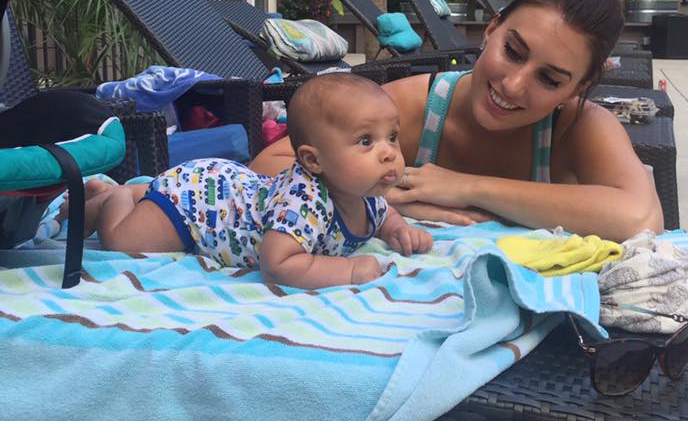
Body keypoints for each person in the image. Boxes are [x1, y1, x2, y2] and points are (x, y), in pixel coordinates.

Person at [252, 0, 663, 243]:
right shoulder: (414, 106)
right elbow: (266, 166)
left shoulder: (579, 127)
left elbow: (641, 218)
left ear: (577, 88)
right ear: (492, 29)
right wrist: (371, 197)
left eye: (550, 79)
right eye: (513, 51)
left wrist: (466, 188)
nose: (513, 85)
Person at [76, 73, 432, 289]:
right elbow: (277, 264)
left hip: (229, 186)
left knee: (147, 212)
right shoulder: (304, 204)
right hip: (197, 208)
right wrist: (349, 270)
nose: (389, 153)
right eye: (366, 141)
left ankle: (143, 192)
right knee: (124, 241)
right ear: (313, 160)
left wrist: (397, 229)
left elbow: (382, 215)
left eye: (392, 137)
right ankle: (114, 198)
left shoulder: (365, 191)